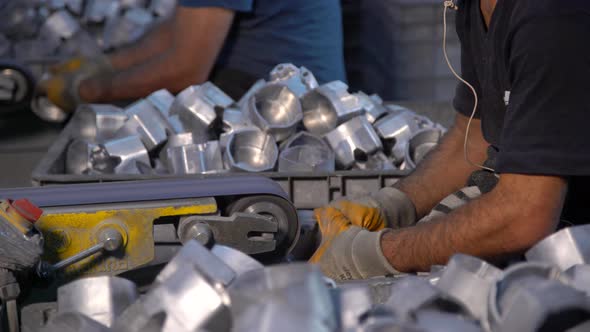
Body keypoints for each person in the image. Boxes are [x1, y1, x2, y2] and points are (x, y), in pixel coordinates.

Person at [311, 0, 590, 281]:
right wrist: (390, 205)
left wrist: (379, 252)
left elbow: (526, 214)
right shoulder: (477, 8)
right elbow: (471, 140)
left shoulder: (550, 16)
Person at [41, 0, 345, 112]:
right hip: (275, 88)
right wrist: (104, 66)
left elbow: (185, 71)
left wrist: (86, 91)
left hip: (287, 108)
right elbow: (178, 29)